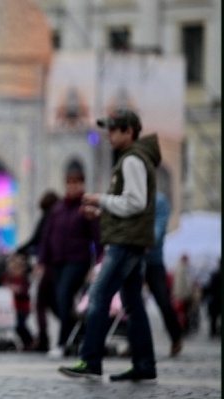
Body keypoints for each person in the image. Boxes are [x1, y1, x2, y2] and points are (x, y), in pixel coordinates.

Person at [59, 109, 161, 381]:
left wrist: (100, 199)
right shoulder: (133, 159)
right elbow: (131, 205)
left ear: (129, 132)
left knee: (99, 295)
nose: (109, 135)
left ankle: (91, 360)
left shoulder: (132, 160)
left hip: (125, 242)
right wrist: (102, 213)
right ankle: (145, 364)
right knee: (132, 303)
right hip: (131, 238)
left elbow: (135, 203)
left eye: (114, 130)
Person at [37, 166, 102, 358]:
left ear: (82, 184)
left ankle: (62, 342)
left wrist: (98, 262)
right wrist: (42, 261)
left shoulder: (86, 207)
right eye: (70, 183)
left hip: (78, 260)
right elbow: (47, 236)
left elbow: (97, 237)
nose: (73, 187)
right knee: (58, 299)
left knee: (65, 295)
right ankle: (76, 332)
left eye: (76, 183)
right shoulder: (58, 209)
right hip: (57, 261)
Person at [17, 191, 60, 352]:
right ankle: (73, 331)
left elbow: (37, 238)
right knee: (54, 303)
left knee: (42, 303)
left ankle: (44, 339)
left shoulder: (48, 216)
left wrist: (20, 250)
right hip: (58, 264)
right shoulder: (59, 215)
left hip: (48, 264)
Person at [143, 191, 183, 356]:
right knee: (131, 303)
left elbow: (158, 229)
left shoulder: (159, 201)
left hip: (152, 260)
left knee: (162, 301)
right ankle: (135, 343)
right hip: (132, 257)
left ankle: (176, 336)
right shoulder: (130, 196)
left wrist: (143, 242)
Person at [3, 254, 33, 350]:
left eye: (16, 269)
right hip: (13, 307)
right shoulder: (8, 279)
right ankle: (25, 342)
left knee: (20, 325)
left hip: (23, 307)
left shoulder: (23, 280)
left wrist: (16, 290)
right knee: (16, 326)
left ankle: (29, 341)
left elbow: (25, 292)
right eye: (11, 269)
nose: (13, 271)